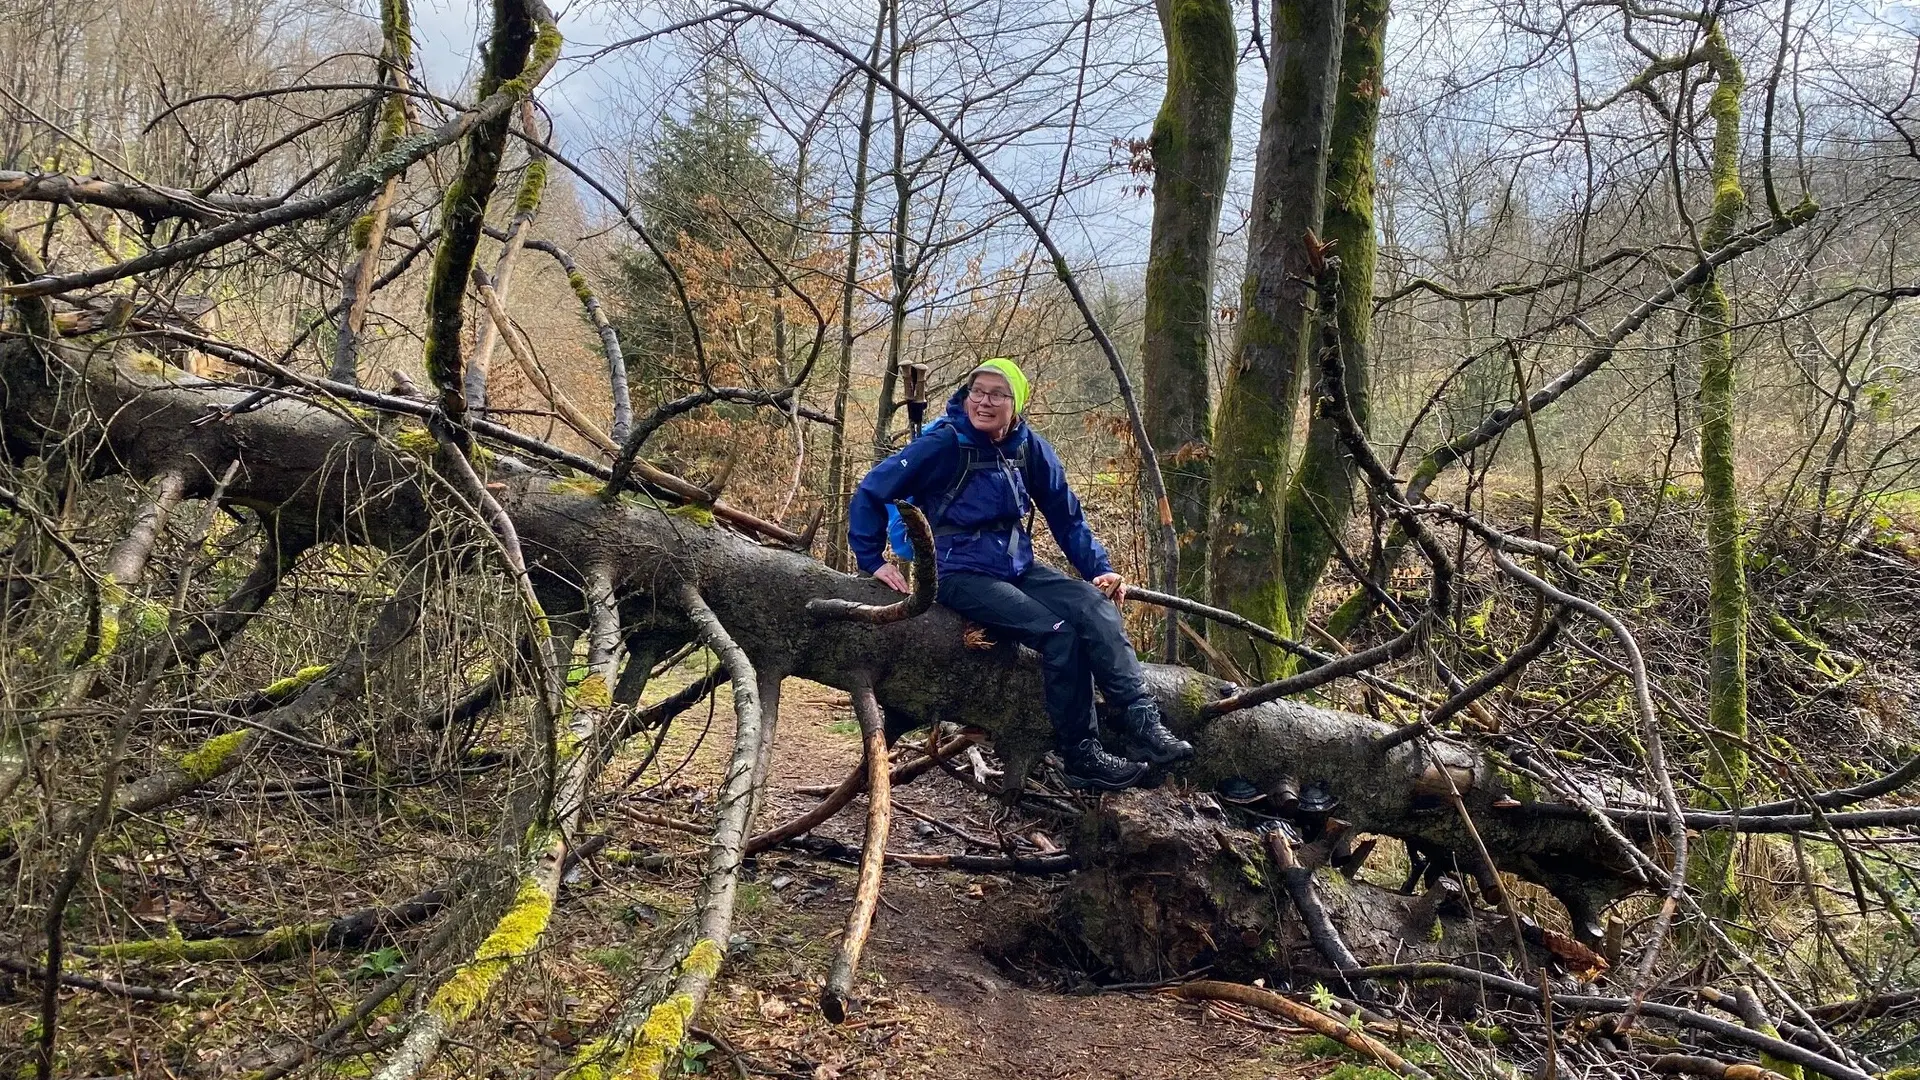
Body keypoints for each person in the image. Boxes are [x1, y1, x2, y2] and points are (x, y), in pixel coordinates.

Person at [847, 357, 1192, 791]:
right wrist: (870, 558)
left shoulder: (1028, 447)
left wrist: (1100, 570)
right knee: (1059, 633)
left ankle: (1144, 725)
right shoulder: (944, 444)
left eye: (997, 394)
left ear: (1018, 402)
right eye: (978, 392)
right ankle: (1081, 756)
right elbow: (872, 490)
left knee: (1094, 607)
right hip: (957, 572)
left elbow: (1067, 518)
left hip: (1015, 567)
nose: (984, 402)